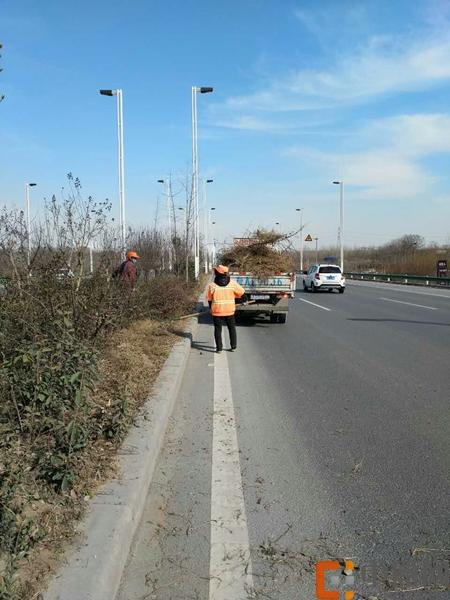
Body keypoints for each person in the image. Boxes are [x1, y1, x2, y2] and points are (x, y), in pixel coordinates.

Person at [206, 265, 245, 353]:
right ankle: (233, 346)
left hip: (217, 311)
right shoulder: (232, 283)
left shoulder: (212, 285)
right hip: (229, 311)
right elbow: (242, 292)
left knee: (217, 329)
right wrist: (244, 300)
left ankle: (219, 348)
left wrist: (210, 308)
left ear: (217, 273)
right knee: (231, 328)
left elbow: (209, 299)